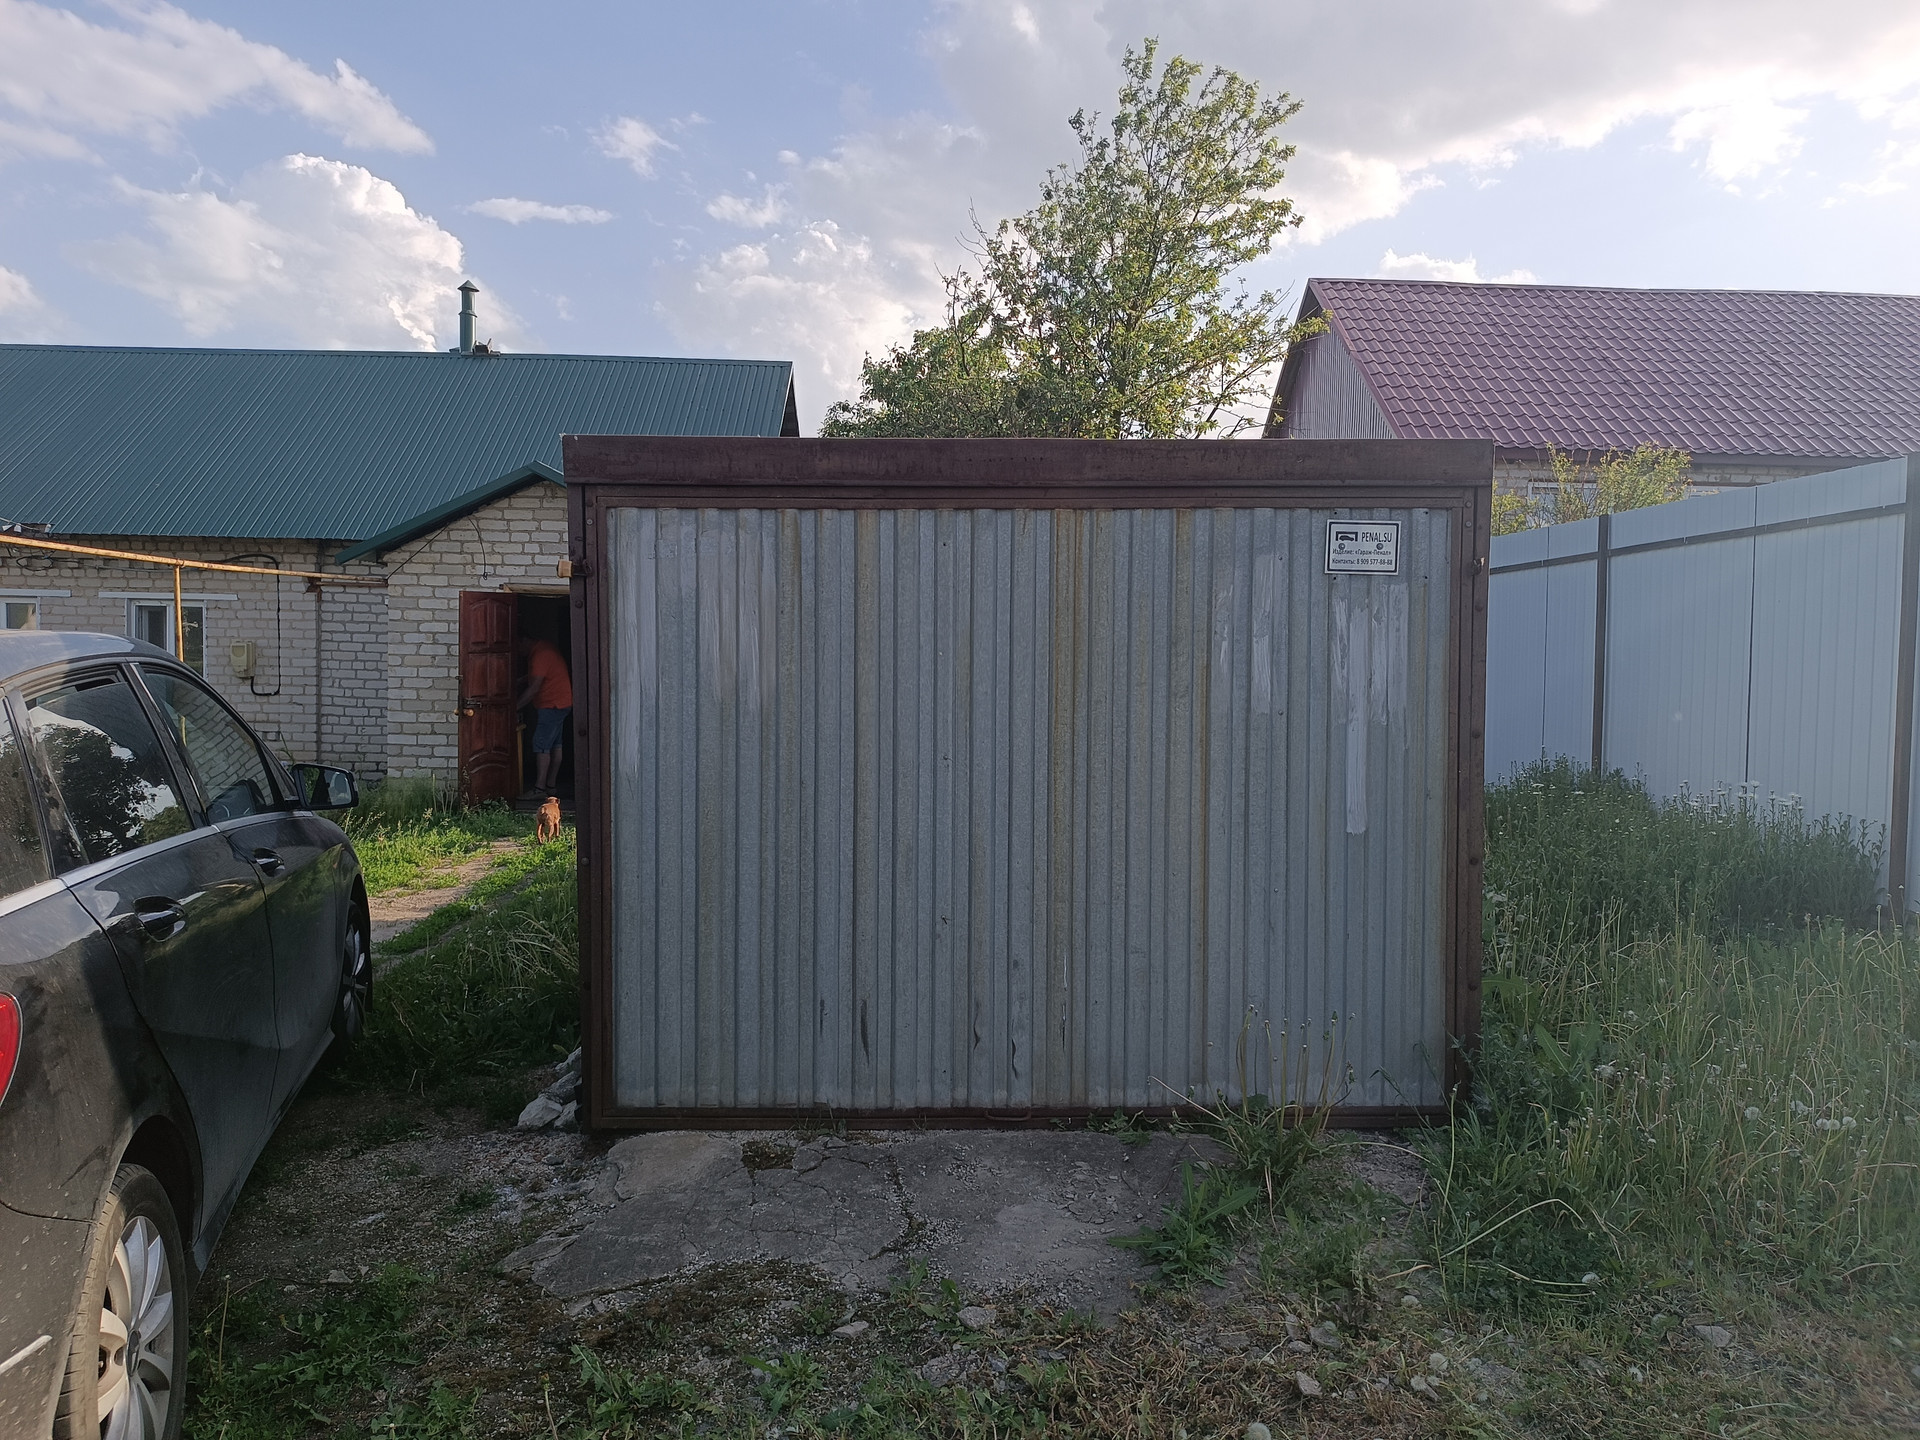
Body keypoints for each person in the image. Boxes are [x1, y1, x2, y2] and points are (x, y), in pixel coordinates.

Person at [515, 636, 572, 799]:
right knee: (556, 745)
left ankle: (539, 788)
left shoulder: (540, 655)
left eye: (518, 647)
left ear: (524, 641)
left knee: (541, 745)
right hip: (561, 703)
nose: (518, 652)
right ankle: (550, 786)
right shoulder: (544, 649)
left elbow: (534, 688)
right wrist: (522, 680)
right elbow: (540, 674)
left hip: (552, 705)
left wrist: (514, 707)